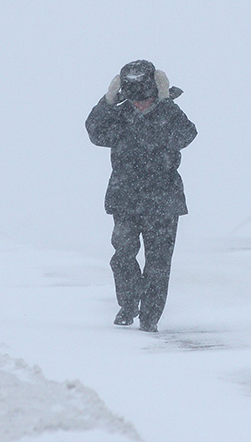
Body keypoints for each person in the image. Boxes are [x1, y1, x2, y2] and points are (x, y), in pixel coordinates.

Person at [85, 60, 197, 333]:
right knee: (123, 255)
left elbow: (187, 134)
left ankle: (150, 318)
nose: (141, 105)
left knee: (158, 263)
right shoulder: (120, 116)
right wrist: (107, 101)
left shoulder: (168, 114)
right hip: (126, 199)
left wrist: (166, 101)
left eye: (147, 99)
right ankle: (128, 304)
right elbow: (95, 132)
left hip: (164, 201)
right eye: (135, 100)